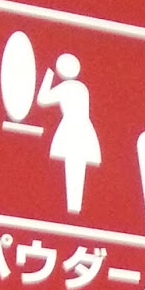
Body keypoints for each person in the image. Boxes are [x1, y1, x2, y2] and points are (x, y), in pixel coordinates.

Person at [36, 52, 100, 215]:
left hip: (71, 126)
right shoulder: (81, 87)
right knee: (77, 164)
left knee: (73, 163)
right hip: (84, 126)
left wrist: (48, 76)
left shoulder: (68, 87)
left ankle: (73, 208)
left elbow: (43, 99)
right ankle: (74, 207)